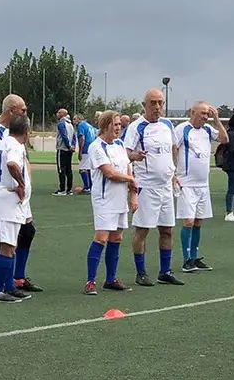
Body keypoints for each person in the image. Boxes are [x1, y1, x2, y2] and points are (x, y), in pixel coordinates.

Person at [0, 95, 42, 292]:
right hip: (5, 192)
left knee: (26, 231)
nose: (25, 113)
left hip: (17, 193)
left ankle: (17, 277)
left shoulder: (13, 134)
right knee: (2, 237)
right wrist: (20, 183)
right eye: (22, 110)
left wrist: (26, 183)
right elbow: (0, 163)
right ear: (12, 110)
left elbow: (22, 159)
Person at [124, 89, 184, 287]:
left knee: (167, 230)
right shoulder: (136, 127)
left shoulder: (167, 124)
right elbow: (125, 153)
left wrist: (173, 171)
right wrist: (134, 156)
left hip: (166, 186)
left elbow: (174, 148)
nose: (157, 107)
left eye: (160, 102)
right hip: (146, 187)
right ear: (144, 105)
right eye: (153, 103)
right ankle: (141, 272)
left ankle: (165, 271)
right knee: (142, 230)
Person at [84, 110, 138, 294]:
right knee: (101, 237)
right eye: (115, 124)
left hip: (120, 199)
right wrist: (131, 181)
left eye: (120, 125)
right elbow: (110, 173)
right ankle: (90, 281)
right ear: (105, 125)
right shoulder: (96, 147)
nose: (118, 128)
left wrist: (133, 195)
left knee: (117, 237)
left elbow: (128, 169)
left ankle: (111, 279)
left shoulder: (120, 144)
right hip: (104, 200)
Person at [0, 114, 34, 303]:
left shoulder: (1, 144)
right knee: (7, 246)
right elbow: (12, 164)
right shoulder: (14, 145)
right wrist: (21, 184)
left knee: (9, 245)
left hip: (0, 200)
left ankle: (8, 286)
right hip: (7, 201)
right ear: (27, 131)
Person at [174, 101, 228, 272]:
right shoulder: (182, 129)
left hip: (203, 185)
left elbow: (224, 139)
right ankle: (186, 260)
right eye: (202, 113)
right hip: (186, 184)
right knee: (188, 221)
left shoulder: (207, 130)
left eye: (207, 114)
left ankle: (195, 257)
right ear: (192, 112)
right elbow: (173, 148)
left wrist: (216, 119)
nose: (205, 116)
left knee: (198, 221)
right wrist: (173, 172)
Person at [54, 108, 77, 195]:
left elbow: (64, 135)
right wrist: (73, 146)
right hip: (69, 150)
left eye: (58, 112)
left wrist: (68, 146)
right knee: (69, 170)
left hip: (62, 149)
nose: (57, 114)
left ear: (62, 114)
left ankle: (62, 189)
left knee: (61, 169)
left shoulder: (61, 123)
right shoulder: (70, 123)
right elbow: (74, 136)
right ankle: (69, 190)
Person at [75, 113, 98, 194]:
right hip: (91, 148)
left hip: (85, 148)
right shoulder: (89, 126)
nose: (74, 121)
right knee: (88, 168)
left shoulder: (81, 125)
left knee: (82, 168)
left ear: (79, 119)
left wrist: (80, 151)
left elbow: (82, 138)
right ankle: (91, 186)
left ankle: (86, 187)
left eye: (75, 119)